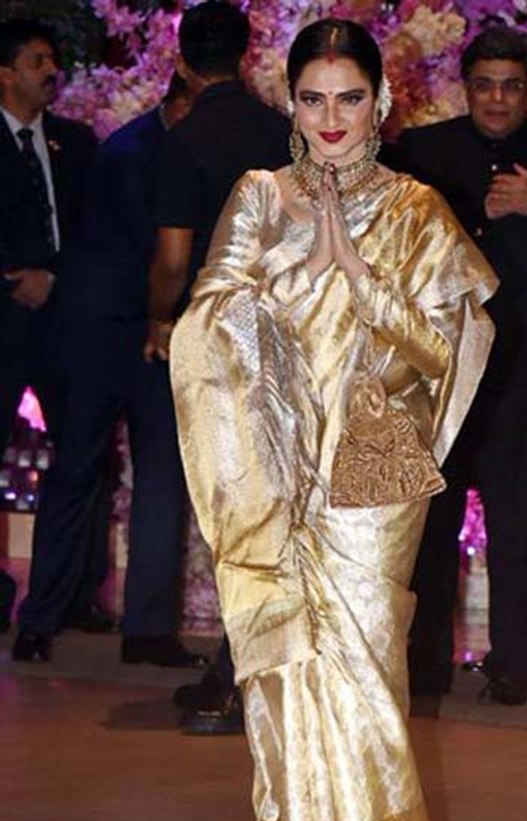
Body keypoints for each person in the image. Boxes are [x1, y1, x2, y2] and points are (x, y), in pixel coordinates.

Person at [169, 17, 495, 821]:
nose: (332, 119)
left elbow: (449, 347)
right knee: (284, 701)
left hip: (372, 475)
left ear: (382, 101)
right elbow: (205, 318)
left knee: (366, 702)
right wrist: (279, 281)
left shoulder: (418, 210)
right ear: (291, 104)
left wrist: (360, 276)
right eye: (312, 99)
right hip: (274, 471)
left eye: (349, 97)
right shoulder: (259, 197)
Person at [393, 26, 527, 704]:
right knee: (427, 520)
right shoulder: (422, 153)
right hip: (439, 369)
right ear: (466, 87)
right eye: (484, 85)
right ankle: (421, 663)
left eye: (511, 86)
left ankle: (525, 661)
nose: (496, 99)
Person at [11, 72, 206, 671]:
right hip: (103, 337)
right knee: (77, 471)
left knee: (159, 478)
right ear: (179, 101)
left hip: (146, 332)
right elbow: (162, 254)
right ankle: (41, 619)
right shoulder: (131, 152)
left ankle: (147, 631)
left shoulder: (156, 146)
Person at [147, 0, 294, 735]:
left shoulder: (186, 139)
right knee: (265, 501)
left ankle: (242, 669)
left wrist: (158, 319)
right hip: (285, 331)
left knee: (230, 503)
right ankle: (246, 660)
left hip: (216, 340)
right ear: (244, 54)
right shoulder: (281, 131)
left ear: (180, 60)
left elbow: (175, 258)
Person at [0, 18, 97, 635]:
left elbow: (95, 225)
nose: (51, 71)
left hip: (66, 323)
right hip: (4, 315)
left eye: (52, 59)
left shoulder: (76, 143)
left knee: (83, 456)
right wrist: (14, 278)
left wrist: (54, 276)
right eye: (37, 60)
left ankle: (74, 595)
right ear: (5, 73)